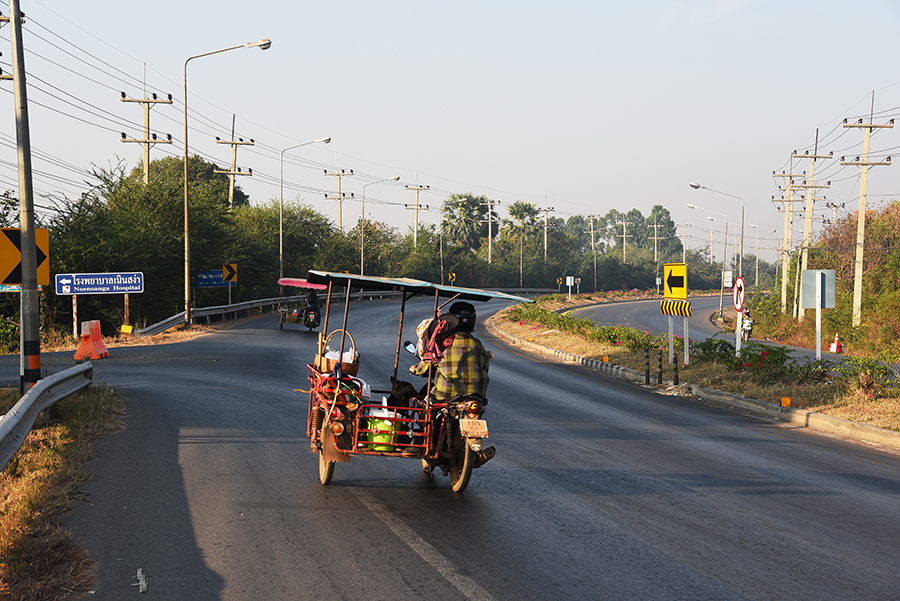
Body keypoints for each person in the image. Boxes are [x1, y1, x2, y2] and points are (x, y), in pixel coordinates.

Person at [409, 301, 491, 401]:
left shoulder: (443, 342)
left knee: (427, 405)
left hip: (446, 395)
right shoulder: (477, 344)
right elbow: (485, 368)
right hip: (477, 395)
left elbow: (428, 361)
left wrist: (416, 369)